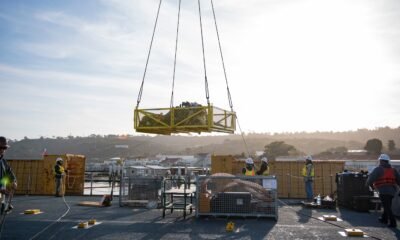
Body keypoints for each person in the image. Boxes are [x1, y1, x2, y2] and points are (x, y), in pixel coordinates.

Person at [366, 154, 400, 228]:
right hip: (392, 191)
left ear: (381, 161)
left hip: (383, 190)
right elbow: (399, 181)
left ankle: (393, 222)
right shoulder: (393, 170)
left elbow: (371, 178)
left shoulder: (378, 169)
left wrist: (368, 185)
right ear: (388, 161)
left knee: (387, 206)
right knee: (387, 205)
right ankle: (384, 219)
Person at [0, 136, 17, 213]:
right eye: (0, 147)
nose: (2, 150)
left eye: (4, 148)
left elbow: (9, 172)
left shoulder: (3, 162)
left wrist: (13, 181)